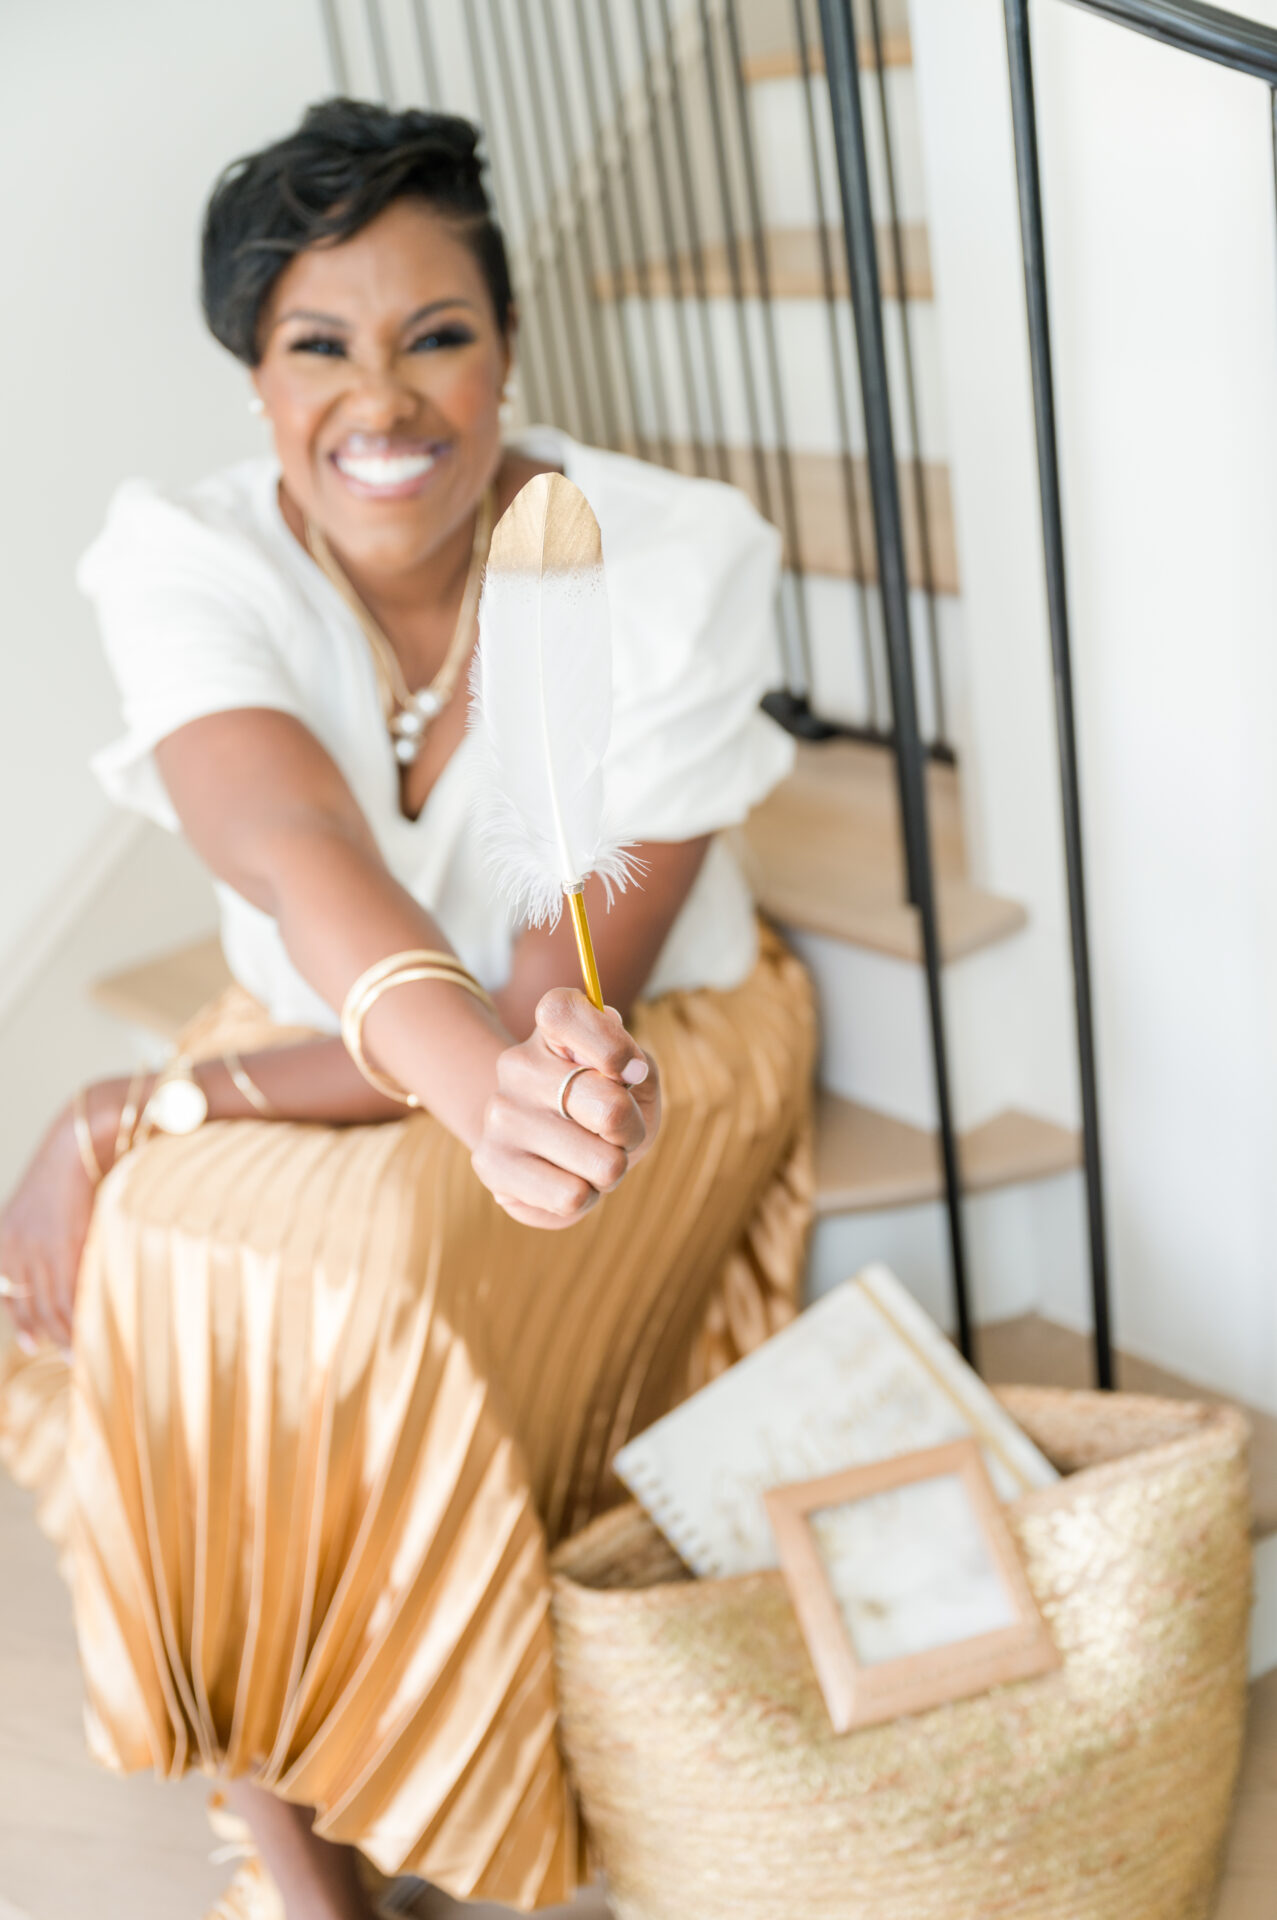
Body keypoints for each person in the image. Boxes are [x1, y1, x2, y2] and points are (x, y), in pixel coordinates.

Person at [0, 99, 814, 1918]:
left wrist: (144, 1107)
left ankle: (402, 1786)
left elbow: (554, 996)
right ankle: (288, 1827)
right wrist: (164, 1109)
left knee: (352, 1282)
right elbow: (292, 854)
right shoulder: (187, 561)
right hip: (358, 1038)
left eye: (437, 334)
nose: (385, 402)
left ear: (508, 350)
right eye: (320, 347)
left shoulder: (666, 564)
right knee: (155, 1279)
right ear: (255, 382)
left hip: (639, 1048)